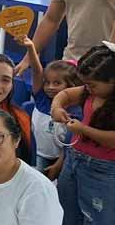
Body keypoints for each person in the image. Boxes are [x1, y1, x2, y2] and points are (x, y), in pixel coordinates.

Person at [52, 43, 115, 225]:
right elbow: (65, 94)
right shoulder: (89, 91)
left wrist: (83, 129)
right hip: (75, 161)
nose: (88, 89)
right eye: (86, 84)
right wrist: (57, 108)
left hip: (104, 170)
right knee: (71, 220)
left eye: (94, 85)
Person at [18, 37, 81, 176]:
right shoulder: (41, 98)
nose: (50, 87)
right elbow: (37, 71)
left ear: (71, 86)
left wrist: (59, 163)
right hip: (37, 154)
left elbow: (71, 143)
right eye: (47, 82)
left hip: (61, 158)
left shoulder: (76, 112)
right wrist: (31, 48)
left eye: (57, 83)